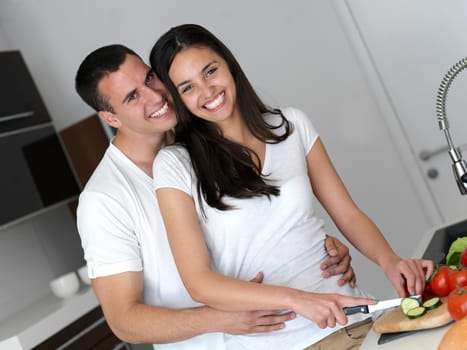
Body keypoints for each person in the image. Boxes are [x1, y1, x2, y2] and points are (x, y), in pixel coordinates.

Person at [149, 24, 435, 349]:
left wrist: (390, 260)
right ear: (178, 99)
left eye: (210, 71)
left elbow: (348, 214)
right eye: (187, 87)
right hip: (282, 342)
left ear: (228, 64)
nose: (207, 91)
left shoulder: (292, 125)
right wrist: (299, 300)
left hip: (355, 320)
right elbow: (198, 283)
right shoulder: (175, 164)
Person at [74, 44, 357, 349]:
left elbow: (263, 223)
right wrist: (219, 317)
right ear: (111, 118)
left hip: (288, 334)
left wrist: (314, 248)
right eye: (132, 97)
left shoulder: (203, 138)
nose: (155, 96)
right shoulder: (104, 199)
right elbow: (124, 321)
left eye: (150, 79)